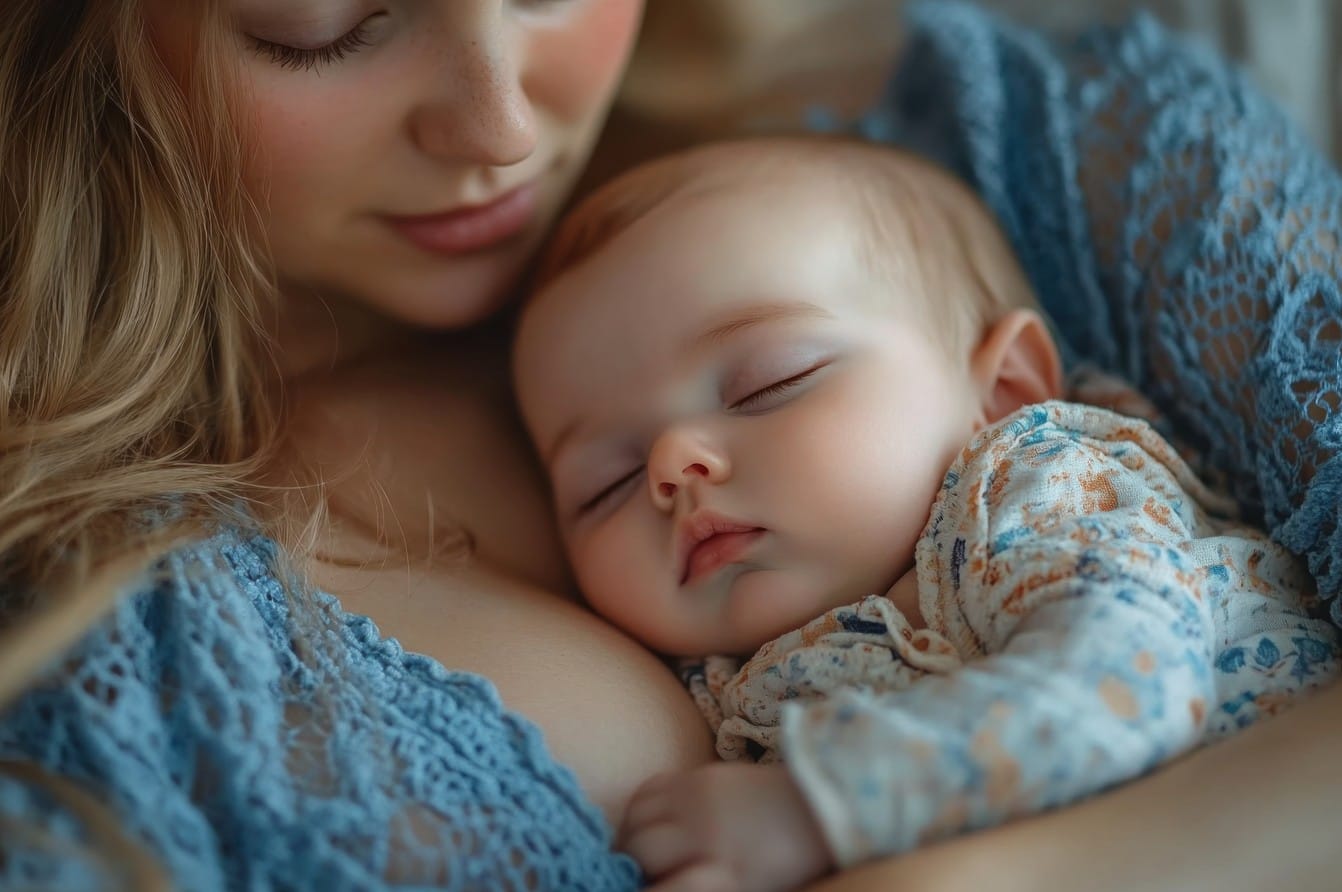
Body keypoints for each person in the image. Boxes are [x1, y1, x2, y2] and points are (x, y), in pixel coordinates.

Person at [0, 0, 1338, 889]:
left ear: (1005, 384)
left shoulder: (1037, 448)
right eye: (321, 22)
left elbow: (1123, 672)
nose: (497, 130)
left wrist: (899, 855)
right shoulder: (78, 621)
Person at [512, 135, 1341, 891]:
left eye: (768, 383)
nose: (670, 468)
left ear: (1002, 392)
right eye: (605, 483)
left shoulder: (1036, 490)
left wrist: (815, 807)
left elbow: (1126, 688)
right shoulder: (713, 690)